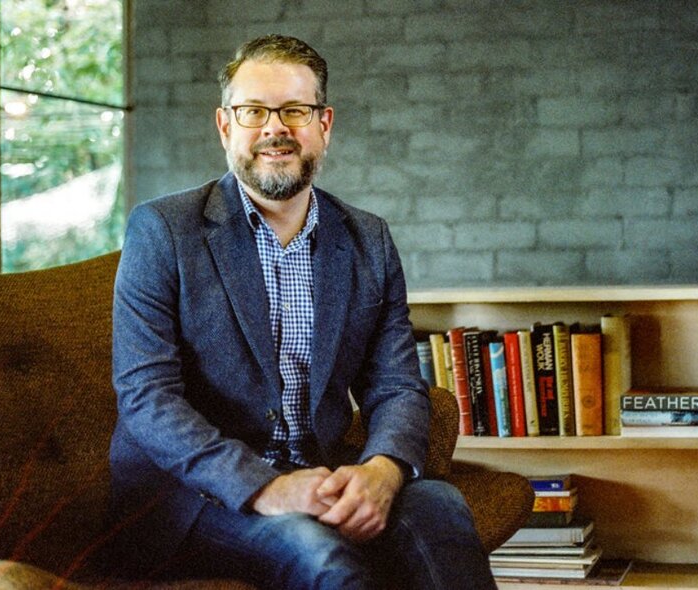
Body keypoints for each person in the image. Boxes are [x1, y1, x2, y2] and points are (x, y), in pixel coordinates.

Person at [108, 34, 496, 590]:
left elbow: (396, 385)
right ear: (225, 126)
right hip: (189, 495)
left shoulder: (368, 239)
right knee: (322, 555)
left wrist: (381, 471)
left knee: (440, 512)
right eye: (253, 111)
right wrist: (264, 487)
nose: (275, 127)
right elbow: (147, 397)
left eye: (295, 110)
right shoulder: (163, 231)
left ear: (324, 124)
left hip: (318, 473)